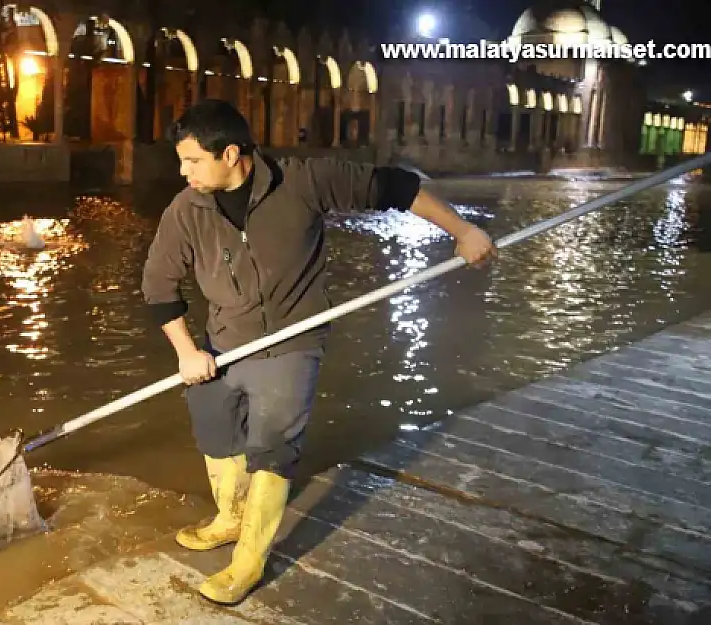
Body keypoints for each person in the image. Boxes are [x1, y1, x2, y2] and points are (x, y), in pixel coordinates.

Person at [140, 99, 496, 605]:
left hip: (293, 339)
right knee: (215, 434)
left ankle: (247, 562)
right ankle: (228, 519)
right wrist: (186, 351)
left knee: (273, 447)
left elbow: (398, 187)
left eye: (193, 160)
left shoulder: (304, 181)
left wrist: (463, 231)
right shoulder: (185, 210)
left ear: (232, 153)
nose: (183, 172)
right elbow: (158, 286)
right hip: (221, 342)